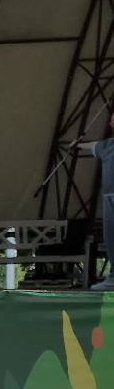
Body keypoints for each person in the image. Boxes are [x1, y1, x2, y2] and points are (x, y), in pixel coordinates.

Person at [79, 113, 114, 289]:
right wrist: (77, 145)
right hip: (109, 197)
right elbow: (93, 146)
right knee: (110, 237)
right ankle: (113, 277)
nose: (112, 121)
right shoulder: (107, 145)